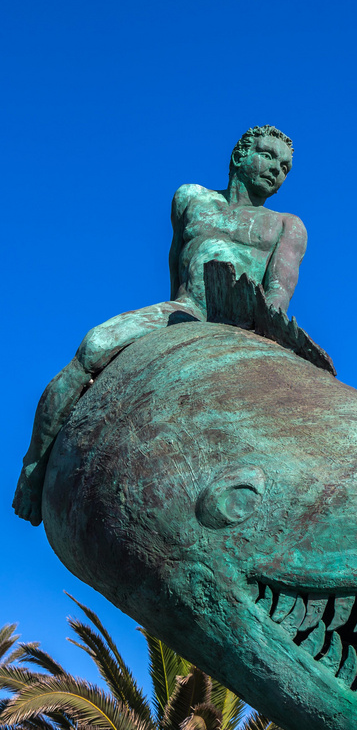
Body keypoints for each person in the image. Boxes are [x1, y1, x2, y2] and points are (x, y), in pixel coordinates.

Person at [13, 124, 306, 526]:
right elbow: (178, 266)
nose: (278, 170)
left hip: (241, 323)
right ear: (240, 157)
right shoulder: (191, 199)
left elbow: (277, 294)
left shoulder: (288, 226)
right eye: (269, 156)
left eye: (286, 166)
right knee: (93, 346)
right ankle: (33, 468)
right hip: (182, 311)